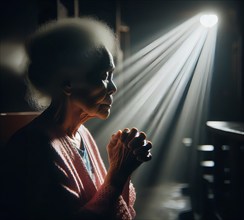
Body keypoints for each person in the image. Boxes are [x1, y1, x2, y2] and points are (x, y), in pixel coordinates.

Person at [0, 17, 152, 220]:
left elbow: (104, 201)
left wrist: (121, 164)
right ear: (68, 83)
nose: (113, 87)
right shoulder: (35, 146)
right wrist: (118, 174)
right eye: (104, 75)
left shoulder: (82, 134)